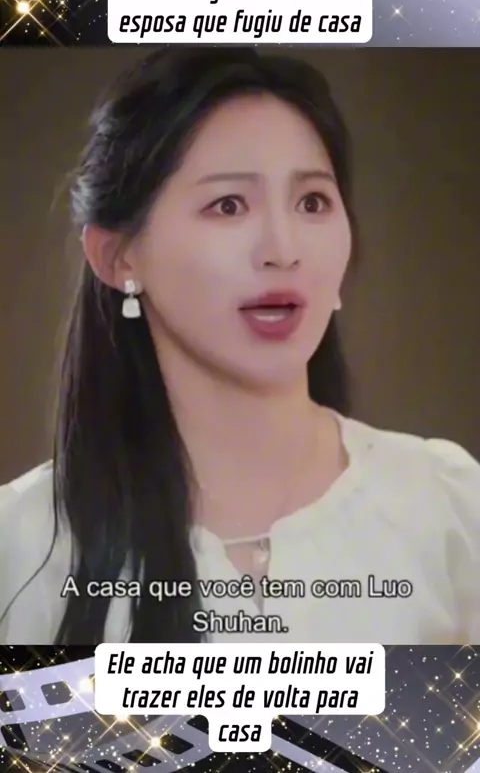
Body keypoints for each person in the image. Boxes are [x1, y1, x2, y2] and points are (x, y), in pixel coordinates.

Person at [0, 47, 479, 645]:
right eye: (228, 205)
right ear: (118, 257)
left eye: (312, 202)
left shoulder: (450, 510)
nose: (283, 249)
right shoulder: (23, 550)